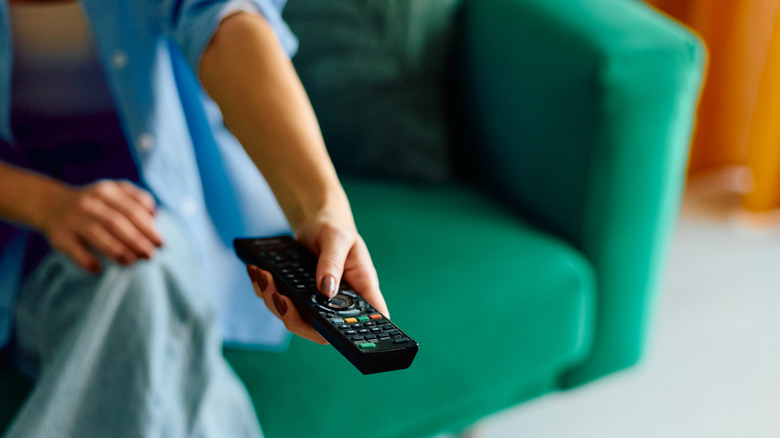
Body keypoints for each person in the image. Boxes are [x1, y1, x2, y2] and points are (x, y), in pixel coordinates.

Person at [0, 0, 389, 436]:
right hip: (17, 239)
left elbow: (227, 22)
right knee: (157, 302)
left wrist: (321, 207)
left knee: (145, 266)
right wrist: (48, 204)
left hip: (149, 214)